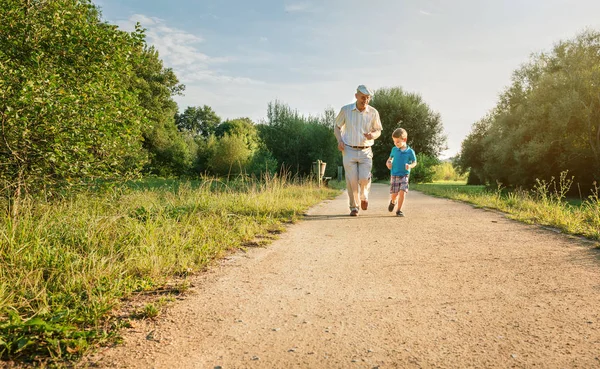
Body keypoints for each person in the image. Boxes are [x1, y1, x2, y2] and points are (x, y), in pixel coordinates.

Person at [334, 85, 383, 216]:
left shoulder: (373, 112)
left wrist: (373, 135)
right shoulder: (346, 110)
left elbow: (378, 130)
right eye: (363, 97)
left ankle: (364, 196)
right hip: (349, 149)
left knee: (364, 178)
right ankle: (354, 207)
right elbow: (337, 127)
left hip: (366, 150)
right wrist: (339, 140)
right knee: (352, 180)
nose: (365, 101)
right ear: (356, 96)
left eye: (368, 98)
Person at [386, 128, 417, 217]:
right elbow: (389, 159)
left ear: (405, 140)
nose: (396, 144)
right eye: (394, 142)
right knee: (394, 194)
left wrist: (410, 166)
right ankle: (393, 201)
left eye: (398, 142)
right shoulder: (394, 150)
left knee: (402, 192)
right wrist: (388, 163)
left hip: (404, 175)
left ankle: (399, 210)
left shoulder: (410, 152)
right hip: (394, 174)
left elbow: (415, 162)